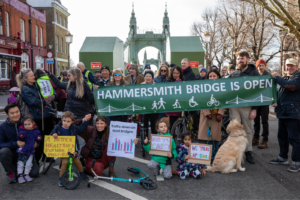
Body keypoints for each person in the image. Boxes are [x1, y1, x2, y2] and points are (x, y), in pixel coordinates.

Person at [16, 69, 55, 163]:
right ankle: (35, 160)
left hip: (47, 114)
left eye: (33, 75)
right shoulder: (25, 89)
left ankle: (47, 156)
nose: (34, 76)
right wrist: (46, 101)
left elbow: (51, 91)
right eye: (31, 76)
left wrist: (52, 96)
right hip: (37, 117)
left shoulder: (37, 84)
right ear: (25, 79)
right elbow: (33, 101)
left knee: (48, 137)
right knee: (38, 139)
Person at [228, 51, 259, 164]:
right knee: (235, 129)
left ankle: (248, 151)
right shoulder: (233, 74)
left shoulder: (254, 73)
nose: (240, 61)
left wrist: (255, 109)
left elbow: (258, 92)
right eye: (238, 59)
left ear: (247, 59)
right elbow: (225, 88)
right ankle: (236, 153)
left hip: (247, 106)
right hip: (234, 106)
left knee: (247, 129)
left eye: (242, 58)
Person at [269, 58, 300, 172]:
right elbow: (280, 91)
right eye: (287, 66)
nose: (289, 68)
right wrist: (275, 100)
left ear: (297, 66)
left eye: (292, 66)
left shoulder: (297, 77)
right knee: (282, 137)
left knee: (294, 138)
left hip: (293, 113)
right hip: (283, 112)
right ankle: (282, 158)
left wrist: (276, 77)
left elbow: (290, 86)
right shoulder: (286, 78)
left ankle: (297, 162)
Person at [0, 103, 39, 183]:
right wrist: (16, 143)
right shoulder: (3, 127)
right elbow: (1, 143)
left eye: (17, 111)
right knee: (3, 151)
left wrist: (36, 143)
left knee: (34, 173)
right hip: (13, 152)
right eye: (12, 113)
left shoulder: (27, 122)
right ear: (7, 114)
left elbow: (37, 135)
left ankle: (22, 169)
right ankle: (11, 171)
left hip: (27, 152)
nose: (15, 114)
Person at [51, 111, 91, 186]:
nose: (66, 123)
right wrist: (54, 134)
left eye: (68, 121)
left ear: (72, 122)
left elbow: (81, 128)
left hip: (72, 149)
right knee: (65, 162)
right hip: (62, 149)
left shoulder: (73, 128)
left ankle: (82, 173)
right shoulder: (58, 127)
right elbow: (52, 133)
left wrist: (85, 121)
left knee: (77, 161)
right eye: (64, 121)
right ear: (61, 120)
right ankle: (61, 178)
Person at [198, 70, 225, 163]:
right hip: (207, 116)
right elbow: (201, 100)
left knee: (215, 138)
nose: (212, 78)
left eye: (214, 76)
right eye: (210, 76)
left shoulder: (222, 88)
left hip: (217, 116)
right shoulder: (204, 88)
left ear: (218, 76)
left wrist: (221, 113)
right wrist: (206, 113)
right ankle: (207, 156)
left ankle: (215, 156)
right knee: (207, 137)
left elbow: (224, 101)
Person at [16, 115, 42, 183]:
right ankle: (20, 175)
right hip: (23, 150)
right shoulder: (22, 130)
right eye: (25, 124)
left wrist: (39, 138)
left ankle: (26, 174)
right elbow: (19, 136)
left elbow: (38, 137)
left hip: (31, 150)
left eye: (29, 124)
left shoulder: (36, 131)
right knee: (21, 163)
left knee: (29, 163)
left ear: (33, 123)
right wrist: (21, 136)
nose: (27, 126)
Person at [252, 59, 271, 149]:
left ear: (265, 66)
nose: (261, 67)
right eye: (259, 65)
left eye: (262, 65)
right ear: (257, 66)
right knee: (256, 122)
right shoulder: (254, 75)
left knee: (264, 121)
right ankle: (256, 138)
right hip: (256, 101)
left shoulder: (268, 75)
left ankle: (265, 140)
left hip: (265, 102)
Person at [141, 70, 159, 135]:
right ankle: (145, 143)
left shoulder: (156, 85)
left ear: (152, 77)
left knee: (154, 126)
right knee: (144, 126)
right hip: (144, 109)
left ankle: (154, 142)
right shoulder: (140, 86)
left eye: (150, 76)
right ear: (144, 77)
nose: (148, 78)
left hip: (154, 108)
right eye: (146, 76)